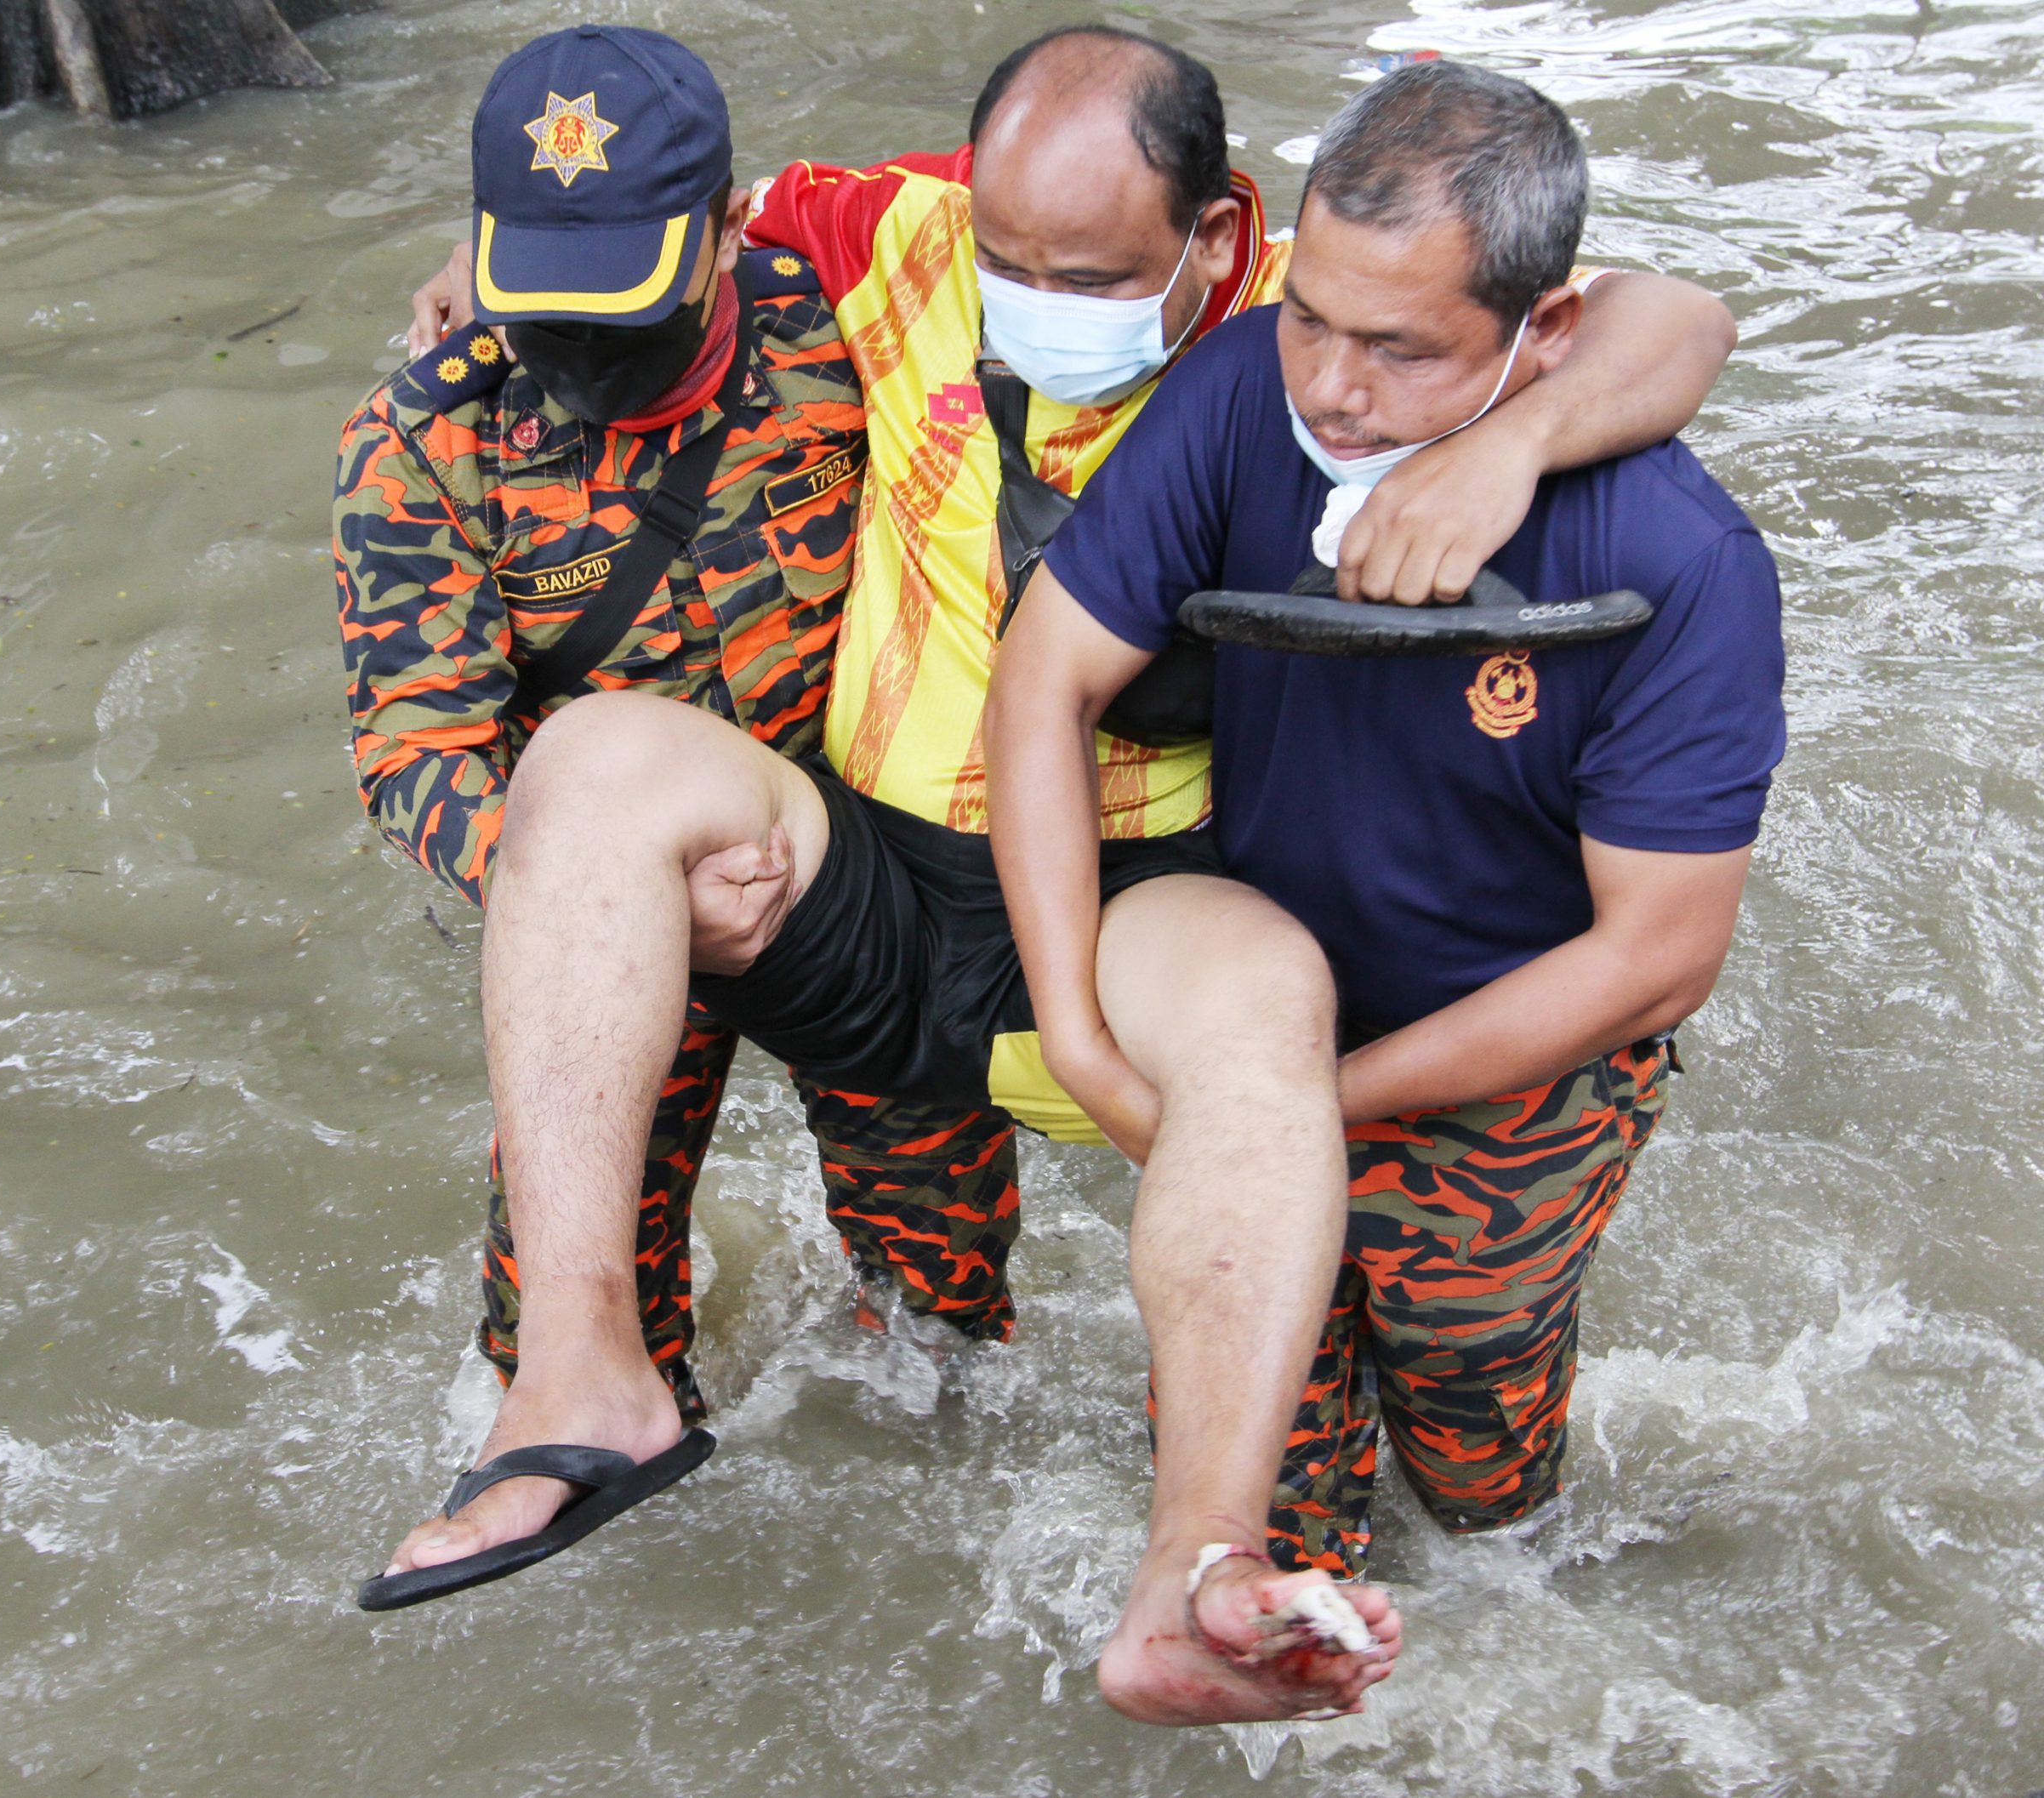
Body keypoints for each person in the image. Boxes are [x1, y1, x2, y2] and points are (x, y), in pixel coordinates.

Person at [385, 34, 1744, 1727]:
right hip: (873, 874)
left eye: (1091, 273)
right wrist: (506, 261)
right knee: (590, 762)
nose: (1032, 291)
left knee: (1284, 1097)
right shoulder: (913, 238)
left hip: (1142, 910)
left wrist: (1513, 441)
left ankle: (1198, 1570)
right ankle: (582, 1375)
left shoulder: (1273, 358)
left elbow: (1664, 314)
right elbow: (690, 223)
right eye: (1008, 260)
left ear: (1217, 234)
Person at [986, 60, 1785, 1588]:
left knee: (1485, 1473)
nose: (1334, 389)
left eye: (1403, 349)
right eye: (1310, 319)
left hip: (1519, 1079)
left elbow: (1660, 958)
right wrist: (1080, 1028)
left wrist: (1332, 1103)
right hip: (1256, 1016)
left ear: (1544, 333)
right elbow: (1044, 686)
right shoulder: (1234, 398)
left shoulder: (1679, 558)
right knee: (1258, 1473)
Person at [334, 26, 1028, 1574]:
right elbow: (416, 750)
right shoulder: (427, 434)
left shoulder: (842, 299)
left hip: (848, 866)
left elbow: (1093, 172)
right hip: (606, 929)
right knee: (564, 1307)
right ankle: (587, 1461)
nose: (582, 361)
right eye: (548, 312)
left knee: (945, 1295)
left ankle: (902, 1553)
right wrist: (604, 885)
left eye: (623, 311)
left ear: (727, 227)